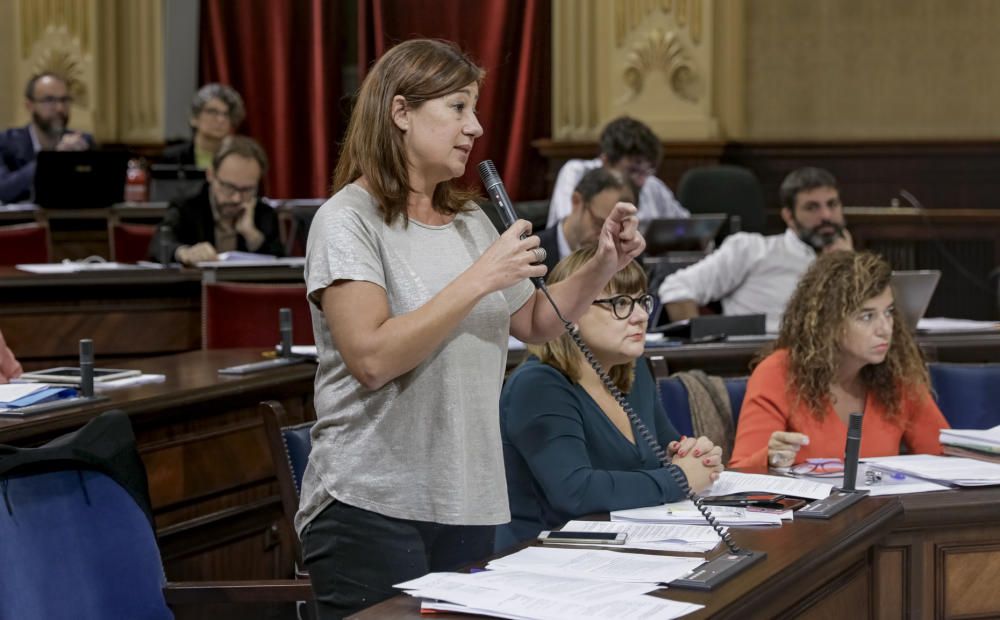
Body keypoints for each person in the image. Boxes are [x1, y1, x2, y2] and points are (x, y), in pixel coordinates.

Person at [297, 39, 645, 619]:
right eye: (458, 108)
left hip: (469, 496)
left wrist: (603, 262)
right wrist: (480, 278)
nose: (476, 127)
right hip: (372, 503)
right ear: (401, 112)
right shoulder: (345, 220)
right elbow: (372, 358)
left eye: (475, 109)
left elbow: (536, 322)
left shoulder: (469, 220)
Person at [496, 246, 723, 550]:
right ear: (570, 310)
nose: (641, 316)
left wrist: (695, 455)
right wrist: (679, 478)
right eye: (620, 303)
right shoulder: (538, 385)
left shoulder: (632, 368)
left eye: (642, 301)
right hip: (540, 555)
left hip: (621, 545)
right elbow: (575, 492)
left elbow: (668, 450)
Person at [729, 251, 949, 472]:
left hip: (883, 506)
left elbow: (947, 459)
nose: (885, 329)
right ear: (828, 324)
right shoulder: (778, 373)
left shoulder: (896, 373)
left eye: (888, 312)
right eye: (867, 316)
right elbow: (740, 472)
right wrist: (770, 460)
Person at [658, 166, 853, 332]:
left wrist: (849, 266)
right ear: (789, 216)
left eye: (832, 204)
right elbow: (676, 289)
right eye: (812, 207)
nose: (826, 215)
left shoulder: (851, 260)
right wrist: (700, 347)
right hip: (755, 361)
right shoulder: (752, 249)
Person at [149, 135, 283, 265]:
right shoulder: (186, 206)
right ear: (211, 175)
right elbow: (160, 244)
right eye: (229, 187)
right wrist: (185, 253)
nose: (237, 198)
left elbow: (283, 268)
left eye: (247, 190)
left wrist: (253, 237)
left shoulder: (264, 213)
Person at [546, 116, 688, 227]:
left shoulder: (652, 184)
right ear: (606, 161)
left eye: (647, 171)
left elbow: (685, 225)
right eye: (633, 170)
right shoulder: (576, 172)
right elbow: (568, 224)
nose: (641, 181)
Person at [0, 73, 94, 204]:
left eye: (64, 100)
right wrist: (53, 160)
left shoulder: (83, 142)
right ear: (29, 105)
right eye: (49, 100)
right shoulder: (5, 142)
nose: (60, 108)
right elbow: (4, 191)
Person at [537, 167, 634, 275]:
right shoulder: (531, 254)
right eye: (599, 223)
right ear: (576, 201)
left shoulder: (628, 258)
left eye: (616, 231)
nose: (605, 239)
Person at [162, 83, 245, 169]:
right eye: (212, 112)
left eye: (226, 114)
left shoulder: (240, 158)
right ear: (194, 117)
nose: (221, 119)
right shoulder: (174, 157)